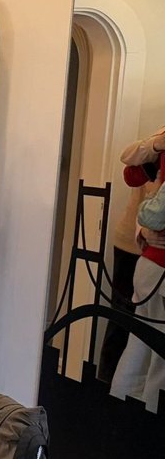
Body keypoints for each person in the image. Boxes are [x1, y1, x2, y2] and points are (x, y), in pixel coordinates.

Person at [99, 125, 165, 382]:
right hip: (134, 245)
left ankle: (117, 391)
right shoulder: (156, 143)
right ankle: (107, 386)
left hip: (149, 251)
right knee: (123, 320)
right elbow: (129, 166)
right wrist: (157, 144)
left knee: (139, 335)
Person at [110, 145, 165, 413]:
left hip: (149, 263)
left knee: (139, 343)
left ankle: (118, 412)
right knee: (160, 360)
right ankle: (147, 426)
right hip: (159, 268)